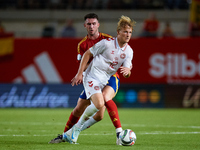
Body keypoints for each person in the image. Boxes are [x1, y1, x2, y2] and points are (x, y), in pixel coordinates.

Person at [49, 13, 124, 145]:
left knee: (101, 110)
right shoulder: (82, 45)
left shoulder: (108, 39)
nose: (91, 26)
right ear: (85, 26)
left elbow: (119, 54)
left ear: (98, 25)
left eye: (94, 23)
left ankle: (118, 133)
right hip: (93, 78)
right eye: (89, 24)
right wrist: (80, 73)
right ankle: (65, 135)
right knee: (79, 108)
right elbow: (83, 63)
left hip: (109, 77)